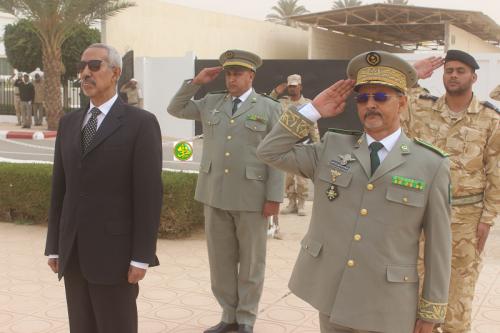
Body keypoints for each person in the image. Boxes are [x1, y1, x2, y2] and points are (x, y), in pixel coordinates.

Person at [257, 50, 452, 333]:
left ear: (402, 103)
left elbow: (439, 246)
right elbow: (269, 151)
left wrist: (432, 311)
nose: (370, 104)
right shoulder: (332, 148)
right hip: (334, 295)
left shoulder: (431, 164)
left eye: (381, 97)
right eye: (363, 98)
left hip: (389, 303)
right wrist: (313, 111)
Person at [44, 43, 163, 333]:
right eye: (81, 67)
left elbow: (149, 195)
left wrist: (141, 256)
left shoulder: (141, 124)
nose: (85, 72)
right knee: (81, 327)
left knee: (115, 326)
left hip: (116, 255)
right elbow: (60, 188)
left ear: (115, 73)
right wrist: (54, 247)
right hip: (73, 254)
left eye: (94, 66)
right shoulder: (70, 123)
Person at [167, 49, 284, 333]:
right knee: (220, 263)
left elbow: (278, 153)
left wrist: (274, 197)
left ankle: (246, 319)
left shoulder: (269, 108)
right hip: (214, 194)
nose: (232, 79)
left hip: (252, 197)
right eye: (229, 73)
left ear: (251, 75)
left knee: (251, 263)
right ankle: (228, 315)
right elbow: (175, 109)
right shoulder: (212, 102)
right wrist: (197, 82)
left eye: (238, 73)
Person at [403, 50, 500, 333]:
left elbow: (496, 170)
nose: (454, 75)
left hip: (466, 220)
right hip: (419, 216)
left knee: (458, 297)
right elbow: (390, 88)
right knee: (415, 292)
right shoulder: (421, 107)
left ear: (473, 77)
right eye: (449, 71)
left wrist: (487, 218)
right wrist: (414, 70)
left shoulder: (489, 119)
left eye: (460, 70)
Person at [270, 74, 320, 216]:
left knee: (302, 176)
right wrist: (275, 92)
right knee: (288, 177)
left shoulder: (308, 103)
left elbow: (313, 125)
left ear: (300, 87)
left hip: (302, 143)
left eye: (295, 86)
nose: (292, 89)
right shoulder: (281, 102)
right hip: (285, 144)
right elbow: (266, 103)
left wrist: (317, 145)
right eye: (290, 86)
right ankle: (291, 203)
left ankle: (302, 204)